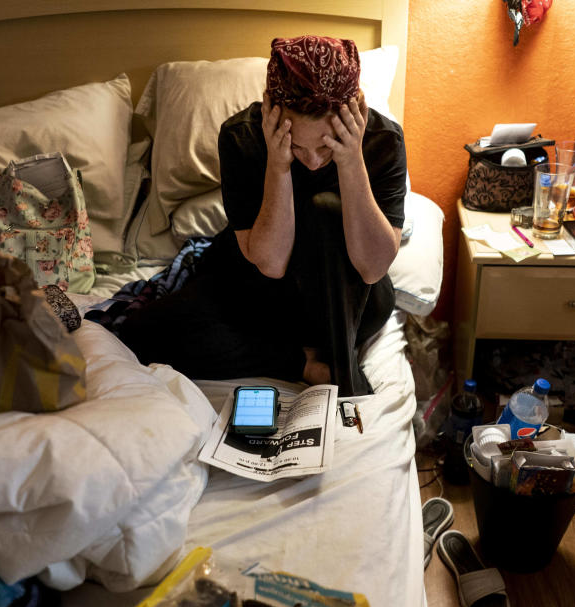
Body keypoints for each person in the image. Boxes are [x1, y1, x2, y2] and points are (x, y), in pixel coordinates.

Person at [118, 35, 407, 396]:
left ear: (357, 110)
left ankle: (336, 362)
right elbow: (270, 262)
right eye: (299, 146)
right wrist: (279, 164)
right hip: (264, 298)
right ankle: (306, 365)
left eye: (326, 146)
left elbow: (373, 267)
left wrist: (350, 160)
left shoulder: (383, 140)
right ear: (271, 109)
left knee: (325, 210)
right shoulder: (242, 137)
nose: (314, 161)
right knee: (138, 335)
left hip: (346, 302)